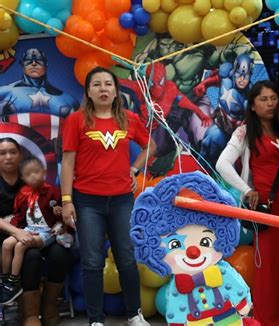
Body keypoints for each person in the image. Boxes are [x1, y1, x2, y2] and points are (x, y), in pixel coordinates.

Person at [60, 67, 156, 326]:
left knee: (126, 258)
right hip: (87, 201)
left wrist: (134, 169)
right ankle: (95, 320)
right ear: (88, 92)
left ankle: (134, 315)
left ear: (116, 91)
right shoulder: (76, 121)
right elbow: (67, 163)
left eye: (108, 84)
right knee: (92, 261)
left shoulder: (129, 118)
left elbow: (151, 147)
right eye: (97, 85)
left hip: (122, 200)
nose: (103, 89)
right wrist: (67, 200)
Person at [216, 81, 279, 326]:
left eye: (274, 98)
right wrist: (246, 191)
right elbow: (222, 164)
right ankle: (268, 321)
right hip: (268, 210)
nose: (270, 103)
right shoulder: (245, 132)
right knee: (270, 271)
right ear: (252, 105)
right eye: (263, 99)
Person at [0, 137, 74, 326]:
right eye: (2, 153)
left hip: (42, 233)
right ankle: (30, 313)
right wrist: (17, 232)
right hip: (11, 235)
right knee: (30, 254)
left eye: (13, 152)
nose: (8, 157)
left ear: (21, 155)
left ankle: (49, 305)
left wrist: (59, 216)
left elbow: (54, 208)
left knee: (59, 253)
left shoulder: (35, 179)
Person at [0, 157, 63, 305]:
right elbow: (19, 215)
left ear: (44, 172)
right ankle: (4, 280)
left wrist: (59, 212)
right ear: (23, 178)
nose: (33, 176)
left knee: (21, 246)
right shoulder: (23, 194)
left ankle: (14, 281)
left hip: (46, 232)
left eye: (36, 172)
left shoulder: (52, 191)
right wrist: (14, 230)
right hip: (28, 229)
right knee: (7, 244)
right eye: (28, 174)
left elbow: (62, 212)